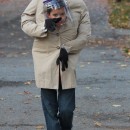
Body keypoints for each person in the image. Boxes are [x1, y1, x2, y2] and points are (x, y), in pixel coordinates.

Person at [21, 0, 91, 130]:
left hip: (67, 59)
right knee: (50, 110)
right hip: (44, 57)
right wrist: (42, 27)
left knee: (66, 110)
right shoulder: (38, 1)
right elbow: (25, 21)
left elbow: (85, 35)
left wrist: (68, 48)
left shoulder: (79, 4)